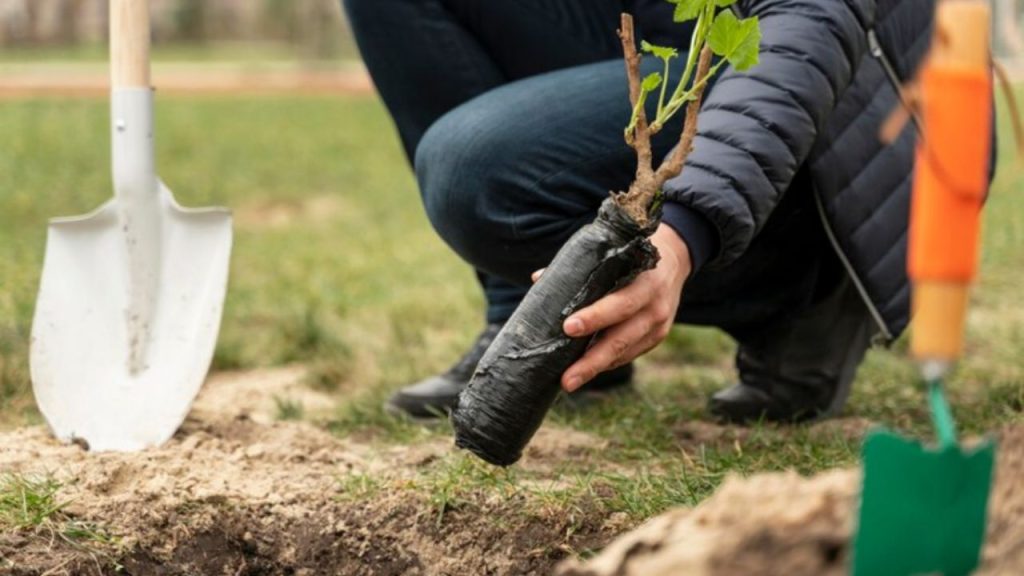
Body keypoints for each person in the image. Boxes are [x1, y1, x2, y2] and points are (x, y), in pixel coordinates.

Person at [341, 0, 939, 423]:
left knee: (471, 168)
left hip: (849, 102)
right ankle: (531, 316)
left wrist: (682, 237)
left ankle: (808, 298)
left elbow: (804, 30)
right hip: (683, 41)